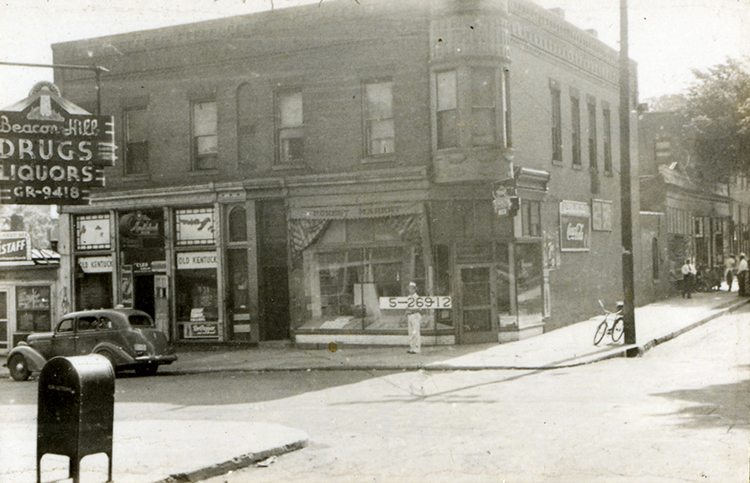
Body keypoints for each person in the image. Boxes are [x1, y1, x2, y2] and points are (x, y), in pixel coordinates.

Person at [405, 282, 422, 354]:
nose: (410, 290)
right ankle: (412, 348)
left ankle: (417, 349)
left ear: (415, 289)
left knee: (416, 332)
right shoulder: (408, 297)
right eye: (409, 288)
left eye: (412, 288)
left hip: (415, 315)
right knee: (410, 332)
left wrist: (410, 310)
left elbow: (419, 308)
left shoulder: (417, 297)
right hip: (410, 316)